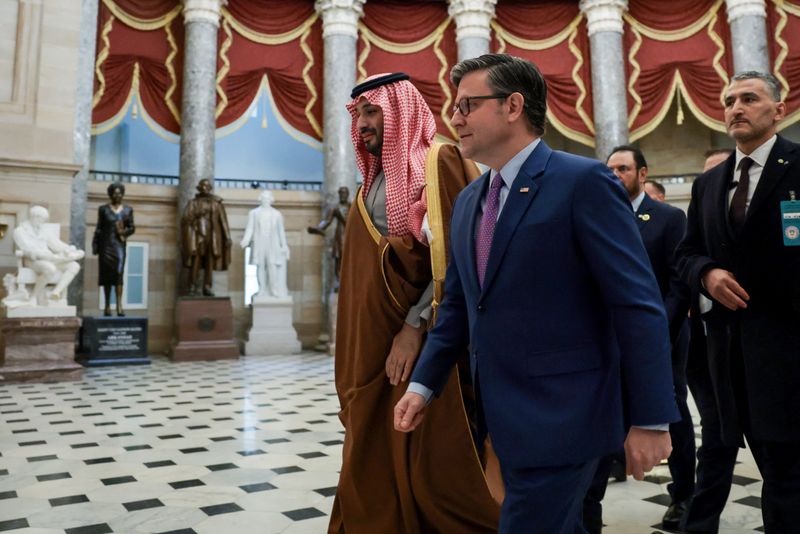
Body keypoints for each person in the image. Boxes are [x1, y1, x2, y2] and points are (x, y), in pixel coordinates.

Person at [395, 54, 678, 533]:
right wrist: (424, 385)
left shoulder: (582, 181)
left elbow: (636, 303)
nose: (454, 117)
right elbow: (463, 307)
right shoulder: (468, 202)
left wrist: (651, 417)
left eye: (468, 104)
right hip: (502, 417)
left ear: (513, 106)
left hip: (567, 414)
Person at [330, 72, 500, 533]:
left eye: (373, 111)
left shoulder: (437, 160)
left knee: (430, 452)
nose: (363, 122)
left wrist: (413, 327)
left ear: (401, 110)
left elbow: (457, 259)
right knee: (373, 440)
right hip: (371, 340)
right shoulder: (375, 178)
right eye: (358, 114)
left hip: (420, 339)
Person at [675, 71, 800, 533]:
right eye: (729, 100)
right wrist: (706, 273)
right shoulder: (710, 184)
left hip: (789, 355)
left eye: (749, 98)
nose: (736, 108)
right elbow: (684, 254)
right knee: (773, 472)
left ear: (778, 109)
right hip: (730, 360)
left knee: (789, 478)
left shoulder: (798, 165)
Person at [583, 146, 693, 532]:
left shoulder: (668, 217)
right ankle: (593, 495)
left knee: (669, 412)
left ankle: (683, 496)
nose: (615, 174)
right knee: (606, 407)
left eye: (623, 168)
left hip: (661, 337)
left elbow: (679, 284)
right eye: (610, 168)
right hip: (608, 340)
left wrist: (655, 332)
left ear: (642, 174)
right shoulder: (597, 215)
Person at [681, 147, 739, 534]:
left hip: (749, 346)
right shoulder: (696, 229)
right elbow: (682, 262)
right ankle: (699, 524)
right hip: (702, 349)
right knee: (717, 438)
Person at [13, 205, 84, 304]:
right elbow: (27, 250)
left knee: (74, 265)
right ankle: (33, 297)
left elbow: (57, 245)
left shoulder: (44, 230)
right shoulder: (20, 231)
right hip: (32, 260)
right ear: (35, 216)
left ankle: (55, 292)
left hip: (50, 258)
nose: (43, 222)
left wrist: (72, 250)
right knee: (49, 268)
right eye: (42, 219)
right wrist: (49, 256)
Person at [180, 178, 232, 296]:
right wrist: (196, 214)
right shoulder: (193, 203)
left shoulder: (216, 203)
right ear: (199, 187)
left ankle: (207, 287)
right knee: (196, 261)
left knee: (209, 262)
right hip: (198, 235)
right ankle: (191, 286)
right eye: (204, 186)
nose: (206, 188)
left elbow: (223, 221)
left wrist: (228, 237)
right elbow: (185, 220)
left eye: (208, 186)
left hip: (213, 235)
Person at [92, 182, 135, 316]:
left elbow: (132, 227)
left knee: (118, 274)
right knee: (106, 275)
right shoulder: (103, 209)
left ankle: (119, 305)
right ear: (110, 194)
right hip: (106, 245)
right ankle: (106, 306)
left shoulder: (128, 210)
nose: (118, 195)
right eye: (115, 193)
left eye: (120, 193)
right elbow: (99, 228)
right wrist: (95, 245)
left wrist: (124, 232)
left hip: (119, 245)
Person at [240, 190, 290, 298]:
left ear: (271, 200)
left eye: (267, 198)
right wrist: (246, 239)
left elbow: (281, 231)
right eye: (264, 198)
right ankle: (261, 289)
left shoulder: (277, 214)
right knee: (260, 266)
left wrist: (284, 245)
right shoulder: (254, 213)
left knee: (272, 265)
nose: (266, 200)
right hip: (259, 242)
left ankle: (274, 289)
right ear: (260, 199)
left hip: (272, 243)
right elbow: (250, 228)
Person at [307, 186, 351, 285]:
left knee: (350, 257)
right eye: (341, 193)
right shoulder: (335, 208)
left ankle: (349, 279)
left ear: (347, 194)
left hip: (351, 235)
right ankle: (339, 280)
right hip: (340, 234)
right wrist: (318, 228)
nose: (342, 195)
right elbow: (327, 221)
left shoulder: (352, 206)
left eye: (344, 193)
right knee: (339, 256)